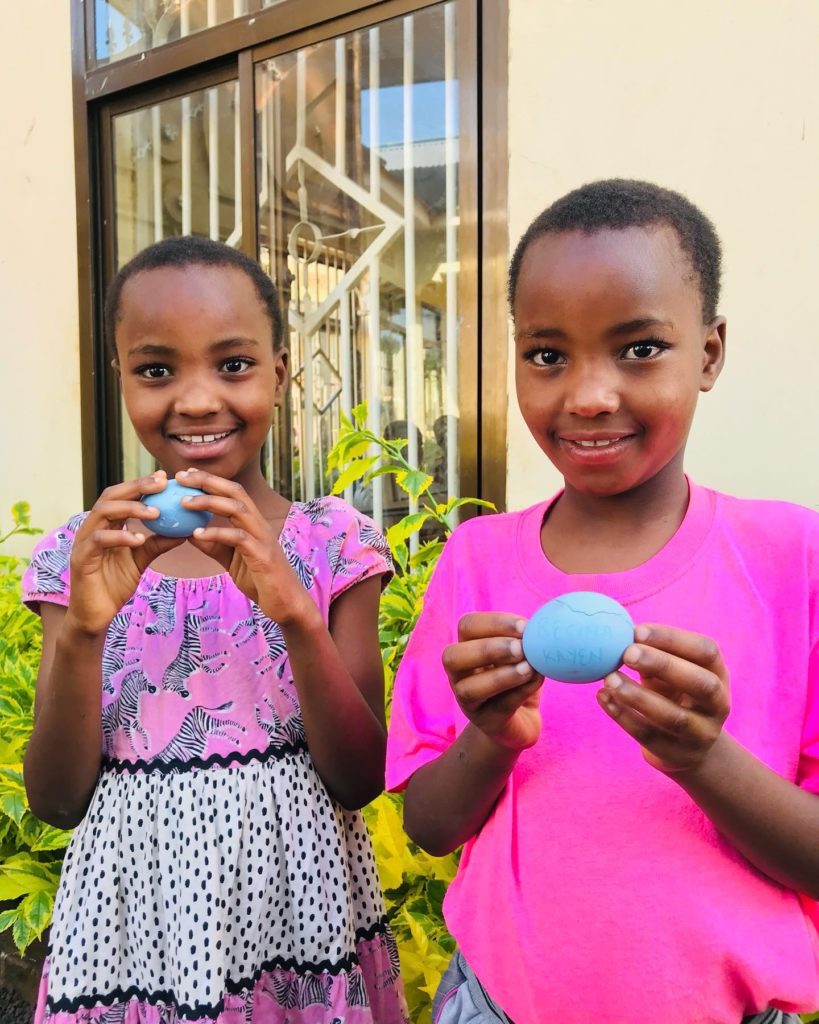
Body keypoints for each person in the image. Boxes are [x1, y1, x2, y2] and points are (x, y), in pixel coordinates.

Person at [385, 180, 819, 1024]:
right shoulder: (476, 560)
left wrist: (704, 757)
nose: (587, 395)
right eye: (547, 355)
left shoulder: (791, 560)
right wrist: (492, 736)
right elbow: (432, 826)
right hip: (495, 1006)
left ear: (708, 351)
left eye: (638, 349)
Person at [22, 236, 408, 1024]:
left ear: (281, 372)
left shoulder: (334, 544)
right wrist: (85, 633)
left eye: (232, 364)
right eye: (157, 370)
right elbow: (57, 800)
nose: (196, 400)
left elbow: (358, 777)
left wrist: (295, 611)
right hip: (134, 937)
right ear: (120, 380)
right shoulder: (82, 555)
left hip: (299, 924)